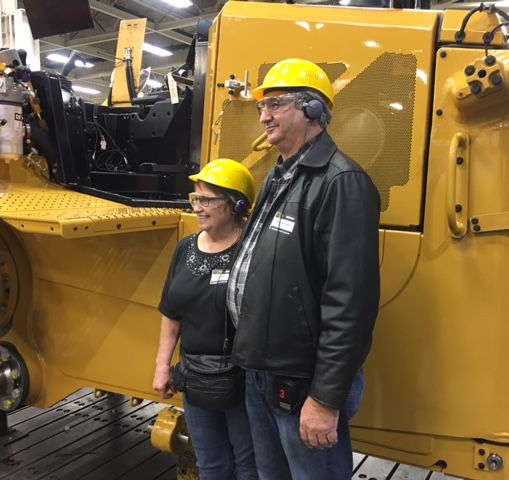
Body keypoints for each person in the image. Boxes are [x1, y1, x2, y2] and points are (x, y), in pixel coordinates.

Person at [227, 58, 381, 479]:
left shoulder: (340, 181)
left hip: (303, 385)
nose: (264, 116)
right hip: (264, 373)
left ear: (312, 110)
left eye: (275, 104)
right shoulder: (281, 177)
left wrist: (326, 398)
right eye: (263, 106)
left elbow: (350, 303)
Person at [153, 158, 258, 480]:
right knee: (210, 463)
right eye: (194, 198)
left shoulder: (253, 251)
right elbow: (172, 314)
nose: (197, 207)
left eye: (207, 199)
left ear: (235, 204)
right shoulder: (186, 248)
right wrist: (162, 367)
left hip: (242, 380)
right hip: (197, 376)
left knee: (246, 464)